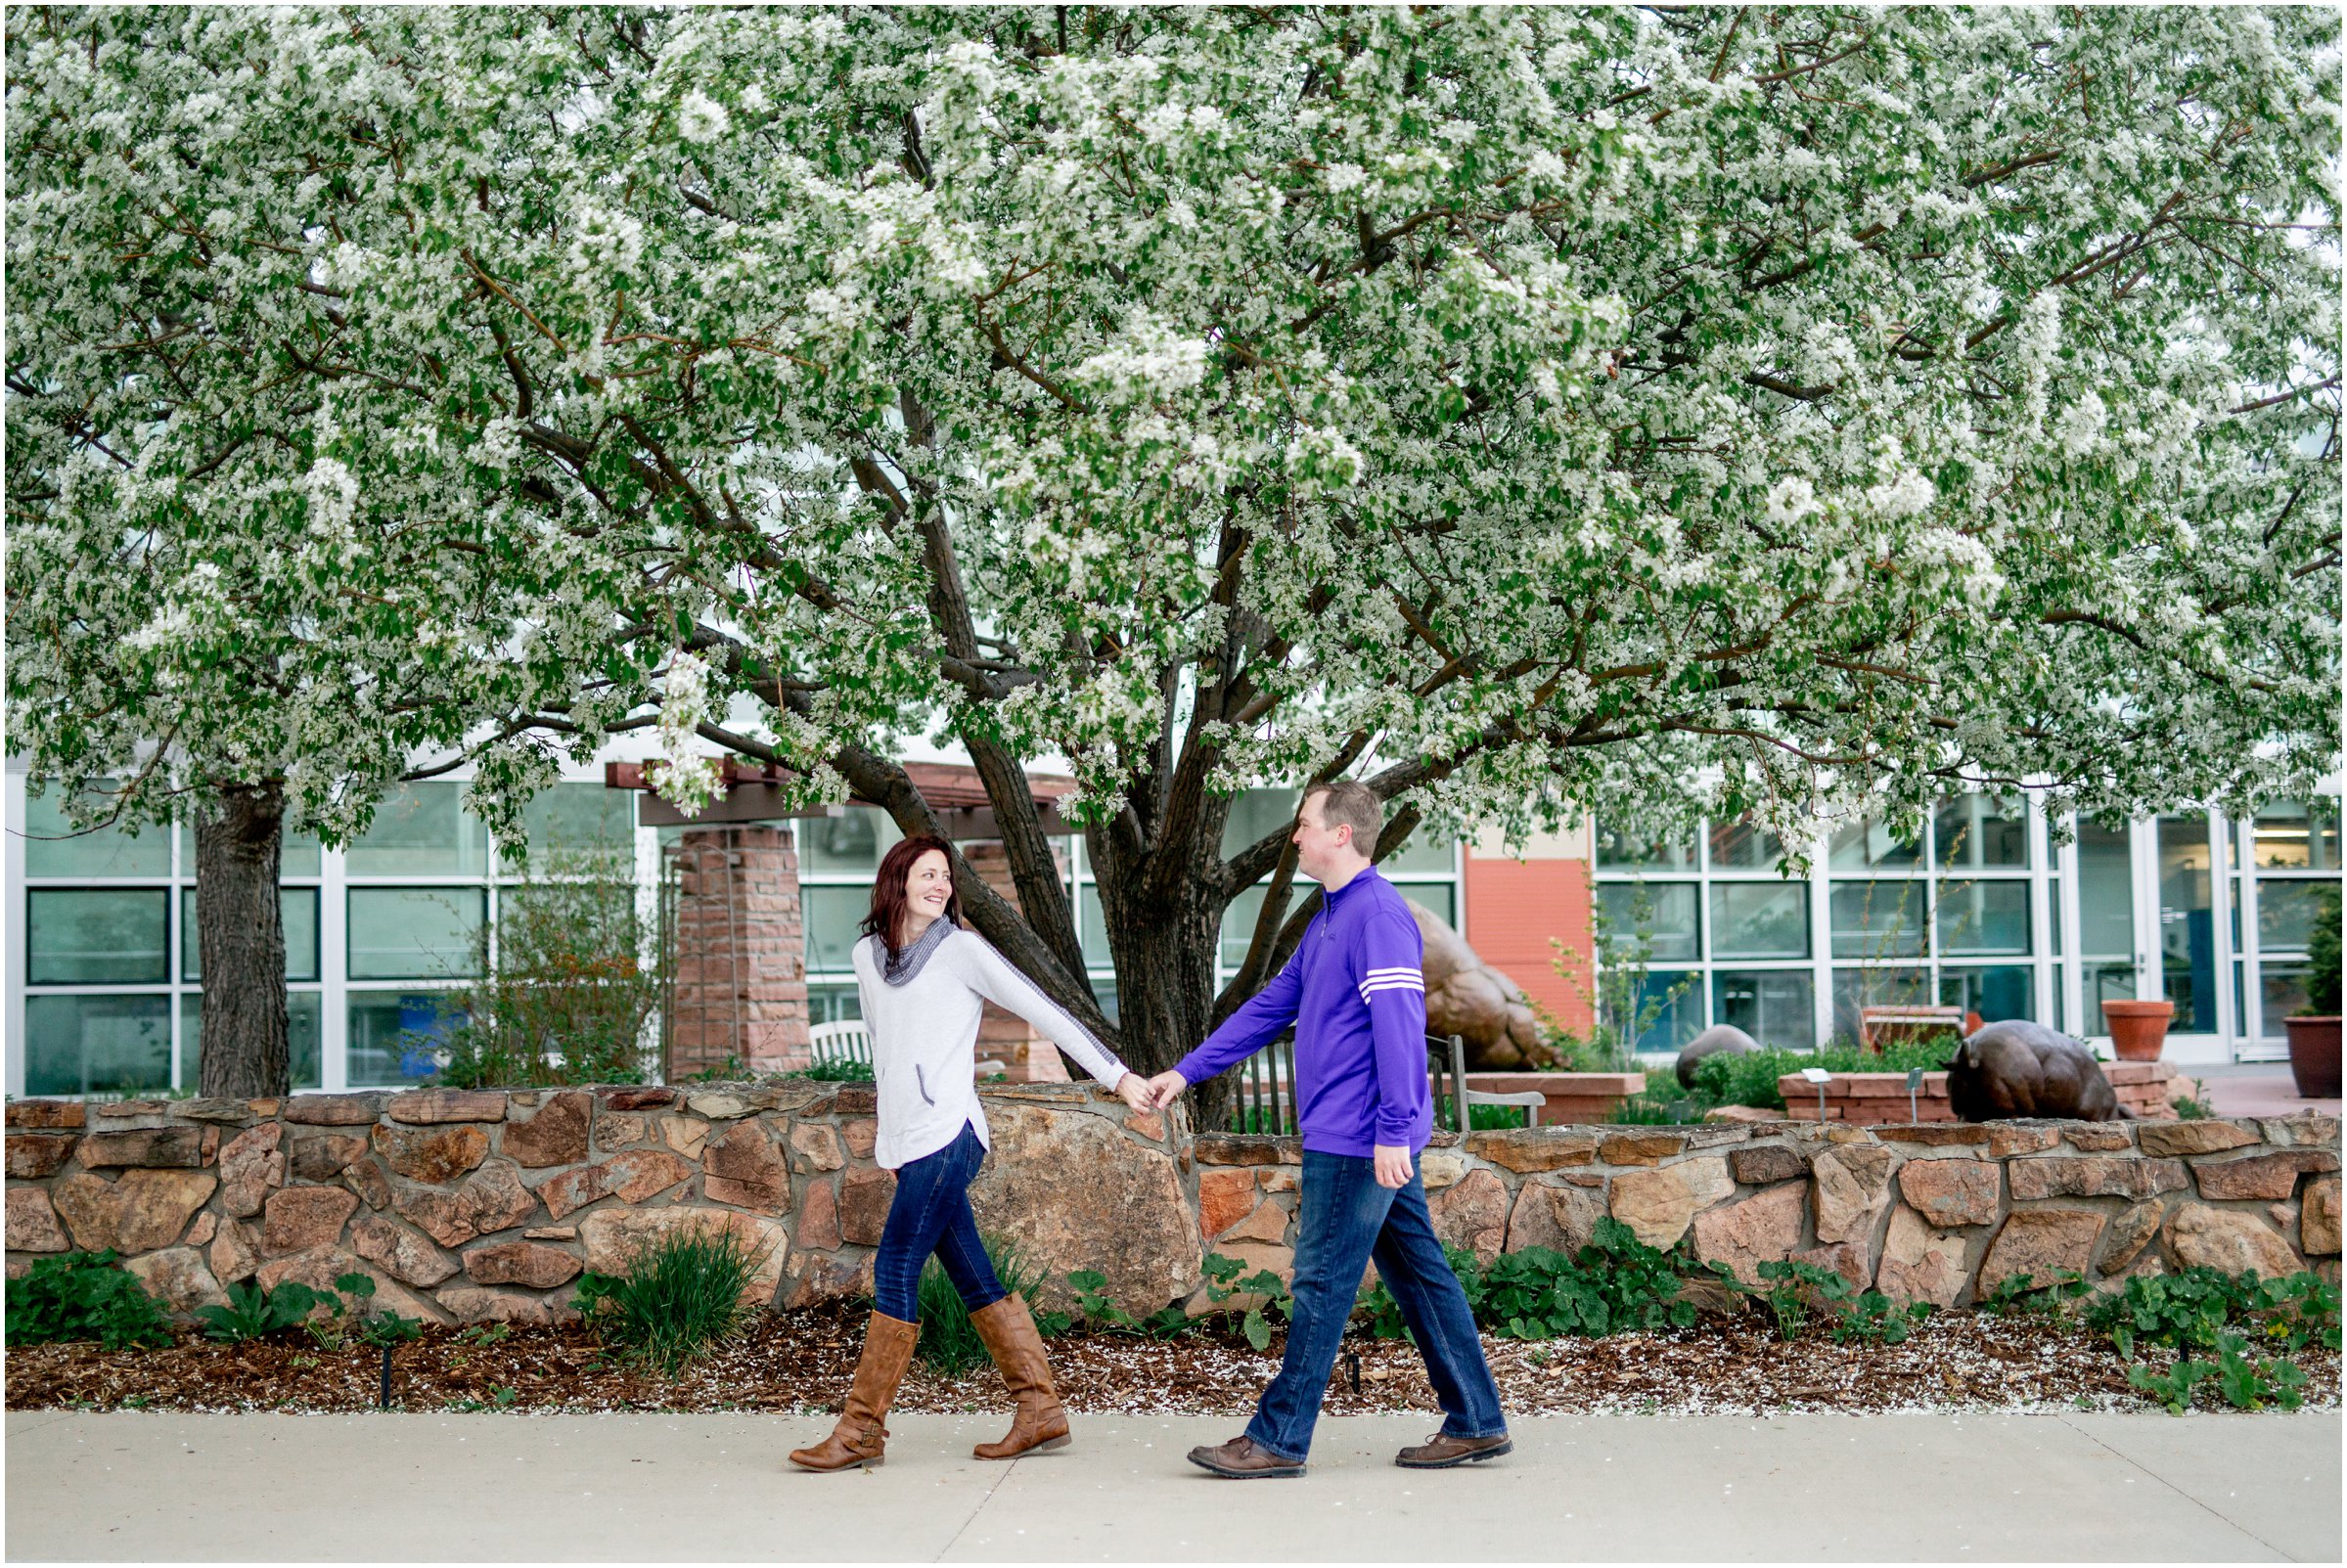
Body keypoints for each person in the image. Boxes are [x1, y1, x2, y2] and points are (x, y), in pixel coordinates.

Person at [1144, 781, 1511, 1477]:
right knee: (1421, 1278)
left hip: (1358, 1137)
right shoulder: (1331, 916)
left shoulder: (1378, 916)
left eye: (1304, 823)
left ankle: (1278, 1436)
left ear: (1340, 834)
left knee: (1319, 1282)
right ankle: (1476, 1418)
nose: (1294, 835)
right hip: (1357, 1135)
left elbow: (1400, 1027)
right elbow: (1267, 1008)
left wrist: (1394, 1131)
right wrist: (1185, 1072)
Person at [790, 833, 1155, 1472]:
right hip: (912, 1142)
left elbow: (1043, 1009)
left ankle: (860, 1430)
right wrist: (892, 1144)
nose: (940, 885)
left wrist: (1116, 1075)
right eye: (927, 873)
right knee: (971, 1273)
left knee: (896, 1266)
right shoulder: (866, 956)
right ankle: (1040, 1409)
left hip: (952, 1132)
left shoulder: (961, 950)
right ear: (897, 879)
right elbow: (887, 1056)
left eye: (946, 877)